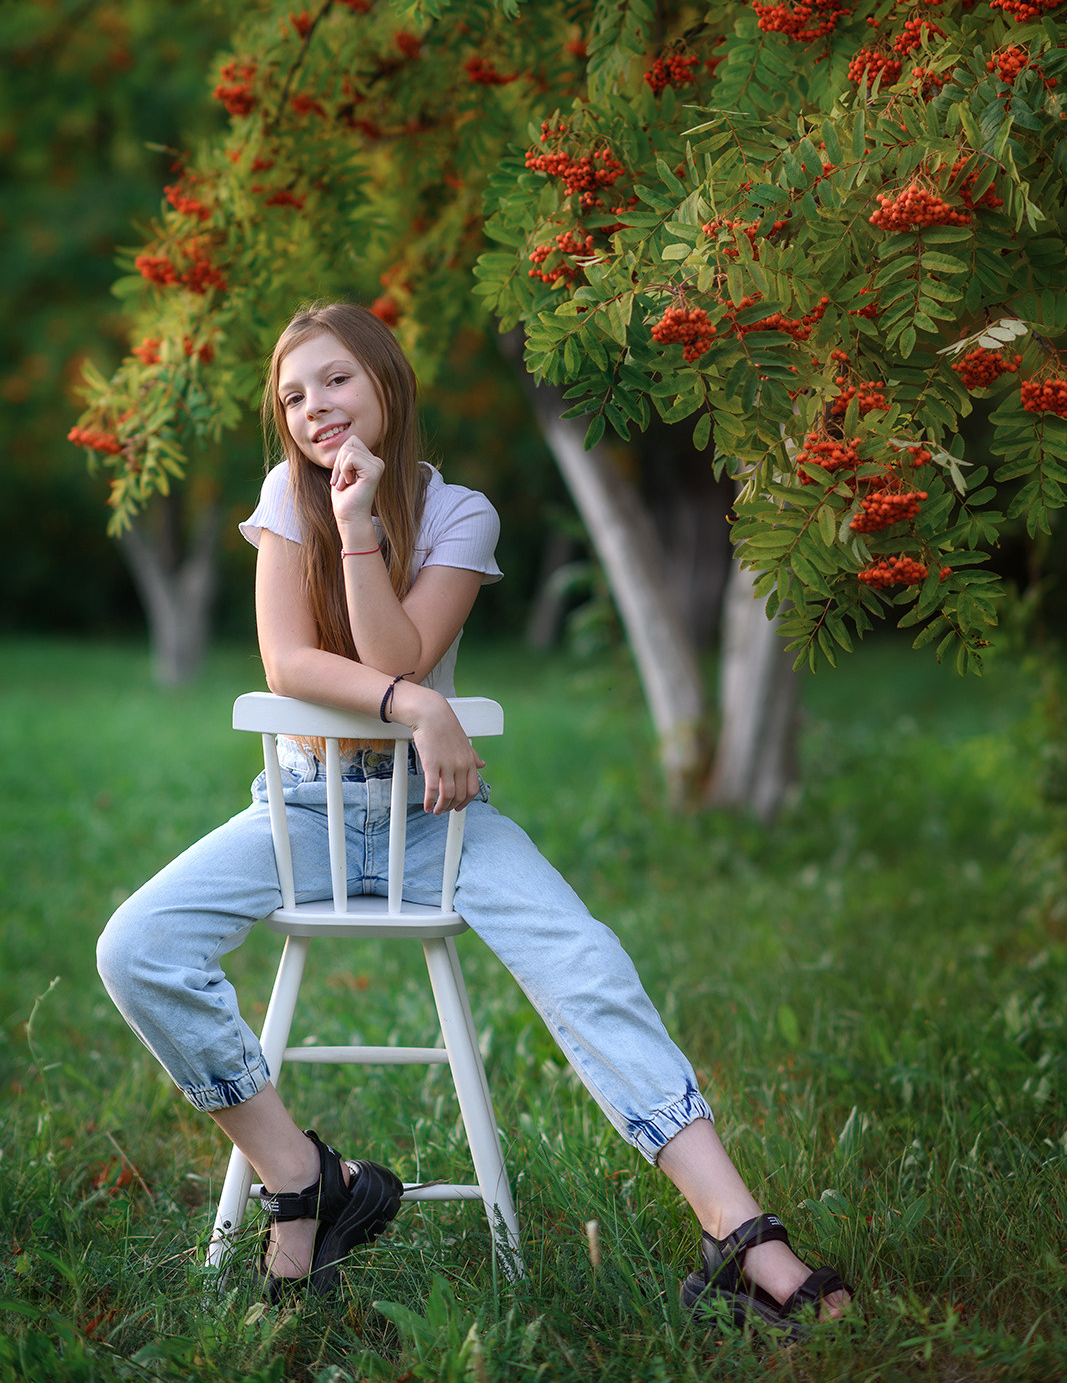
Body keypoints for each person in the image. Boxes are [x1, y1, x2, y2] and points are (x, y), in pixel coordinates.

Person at [97, 301, 852, 1332]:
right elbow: (293, 666)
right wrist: (415, 707)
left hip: (434, 818)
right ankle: (303, 1178)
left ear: (387, 385)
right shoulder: (284, 495)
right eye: (291, 394)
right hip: (306, 810)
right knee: (136, 944)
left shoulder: (461, 513)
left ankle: (737, 1234)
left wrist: (363, 532)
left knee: (585, 958)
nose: (312, 407)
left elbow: (395, 649)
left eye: (334, 380)